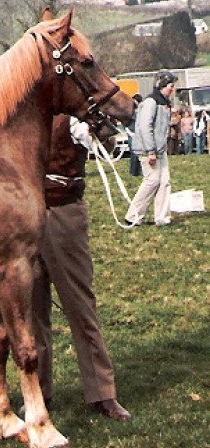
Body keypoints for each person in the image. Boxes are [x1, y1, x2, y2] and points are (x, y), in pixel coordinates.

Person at [30, 115, 131, 422]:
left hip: (64, 214)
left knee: (80, 305)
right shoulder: (24, 106)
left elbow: (110, 139)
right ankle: (38, 393)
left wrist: (98, 128)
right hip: (24, 215)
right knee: (31, 312)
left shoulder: (74, 114)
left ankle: (102, 392)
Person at [125, 70, 177, 227]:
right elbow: (144, 126)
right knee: (152, 181)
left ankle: (162, 217)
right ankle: (133, 215)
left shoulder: (164, 102)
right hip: (149, 150)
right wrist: (150, 151)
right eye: (170, 86)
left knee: (165, 182)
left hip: (160, 150)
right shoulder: (151, 102)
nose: (172, 89)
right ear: (161, 85)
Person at [127, 93, 143, 176]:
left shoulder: (140, 110)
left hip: (138, 134)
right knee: (133, 153)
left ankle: (139, 171)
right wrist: (129, 132)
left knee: (140, 153)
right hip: (132, 133)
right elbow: (125, 122)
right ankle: (133, 172)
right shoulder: (130, 111)